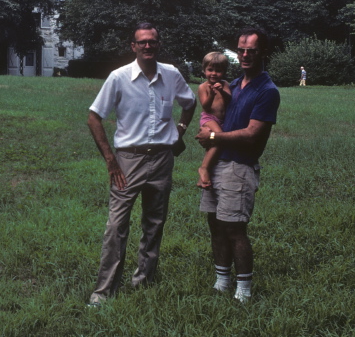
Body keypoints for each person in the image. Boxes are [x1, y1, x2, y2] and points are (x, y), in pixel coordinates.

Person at [87, 22, 196, 307]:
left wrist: (180, 130)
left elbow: (190, 102)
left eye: (153, 41)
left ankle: (144, 281)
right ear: (133, 46)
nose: (148, 46)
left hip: (162, 159)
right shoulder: (119, 77)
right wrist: (111, 160)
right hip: (128, 161)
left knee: (154, 222)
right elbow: (94, 117)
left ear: (159, 45)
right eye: (142, 42)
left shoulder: (171, 74)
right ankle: (103, 292)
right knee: (116, 225)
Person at [195, 28, 280, 303]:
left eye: (251, 51)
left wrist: (212, 136)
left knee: (234, 228)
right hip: (219, 162)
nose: (245, 55)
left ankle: (243, 290)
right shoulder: (233, 83)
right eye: (241, 50)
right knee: (215, 224)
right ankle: (222, 280)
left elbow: (253, 133)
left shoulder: (267, 91)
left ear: (263, 53)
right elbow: (213, 114)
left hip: (239, 167)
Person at [197, 52, 232, 189]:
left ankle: (203, 178)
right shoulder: (203, 87)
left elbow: (230, 100)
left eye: (218, 70)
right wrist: (211, 94)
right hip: (209, 118)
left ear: (223, 72)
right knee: (218, 139)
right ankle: (203, 168)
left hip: (222, 120)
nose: (214, 73)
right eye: (210, 70)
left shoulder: (225, 84)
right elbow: (205, 106)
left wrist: (222, 91)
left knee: (213, 145)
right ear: (204, 70)